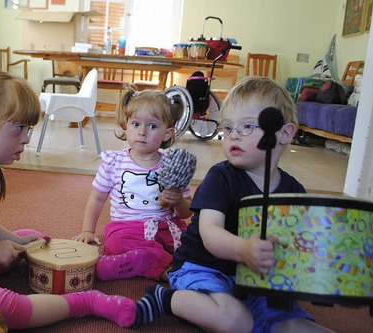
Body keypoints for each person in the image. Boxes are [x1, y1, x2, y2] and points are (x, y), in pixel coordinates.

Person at [0, 69, 137, 329]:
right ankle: (85, 301)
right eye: (19, 128)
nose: (26, 139)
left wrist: (14, 240)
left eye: (29, 129)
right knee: (0, 308)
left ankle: (94, 267)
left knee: (31, 239)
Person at [135, 77, 335, 333]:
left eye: (248, 126)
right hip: (204, 267)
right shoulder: (221, 177)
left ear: (285, 133)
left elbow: (298, 245)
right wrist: (243, 249)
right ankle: (168, 299)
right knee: (235, 321)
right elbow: (210, 233)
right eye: (228, 128)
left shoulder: (294, 191)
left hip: (258, 279)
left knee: (297, 325)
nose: (233, 136)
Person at [72, 87, 193, 282]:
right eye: (136, 124)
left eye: (153, 126)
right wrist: (88, 230)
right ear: (126, 125)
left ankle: (150, 260)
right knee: (117, 243)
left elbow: (186, 213)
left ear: (167, 133)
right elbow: (96, 198)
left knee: (194, 241)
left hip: (164, 227)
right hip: (127, 229)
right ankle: (162, 266)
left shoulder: (173, 165)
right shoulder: (113, 162)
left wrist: (178, 199)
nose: (142, 132)